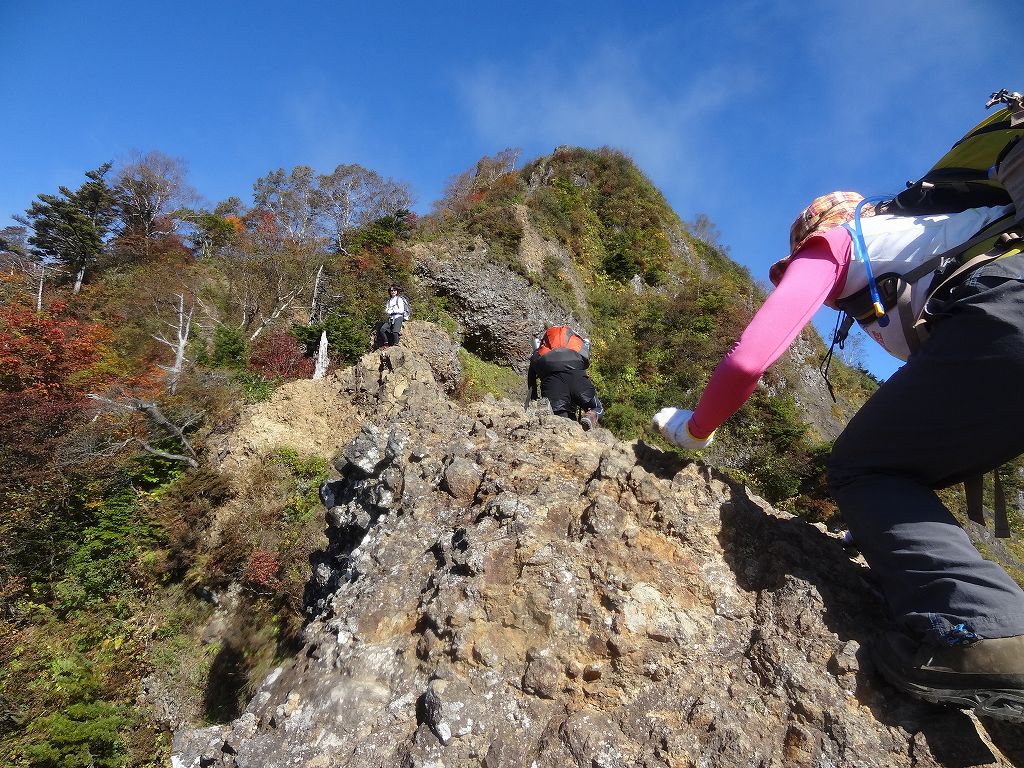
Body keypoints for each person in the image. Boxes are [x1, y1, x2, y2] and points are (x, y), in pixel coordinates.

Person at [653, 188, 1024, 722]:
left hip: (1007, 313)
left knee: (861, 466)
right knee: (891, 464)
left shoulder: (839, 240)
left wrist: (697, 428)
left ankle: (988, 627)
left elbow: (748, 361)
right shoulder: (949, 234)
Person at [527, 324, 604, 430]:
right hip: (576, 378)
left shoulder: (540, 351)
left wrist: (533, 400)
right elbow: (585, 363)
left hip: (552, 384)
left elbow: (532, 378)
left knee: (561, 422)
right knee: (598, 408)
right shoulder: (577, 345)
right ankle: (591, 415)